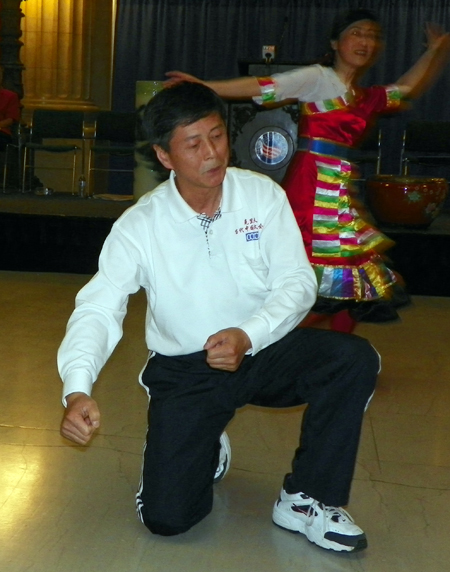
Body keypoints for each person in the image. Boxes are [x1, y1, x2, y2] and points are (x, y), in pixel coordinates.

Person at [58, 81, 380, 553]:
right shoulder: (139, 226)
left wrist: (249, 335)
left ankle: (308, 498)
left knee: (351, 359)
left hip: (263, 349)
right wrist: (77, 387)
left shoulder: (261, 196)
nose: (212, 153)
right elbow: (100, 305)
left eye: (217, 136)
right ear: (165, 156)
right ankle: (208, 442)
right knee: (167, 520)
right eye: (194, 143)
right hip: (187, 371)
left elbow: (297, 282)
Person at [165, 9, 450, 333]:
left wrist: (435, 50)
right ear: (335, 42)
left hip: (340, 186)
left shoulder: (363, 97)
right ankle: (276, 343)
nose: (365, 42)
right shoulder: (318, 78)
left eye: (372, 36)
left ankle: (332, 353)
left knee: (346, 278)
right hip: (312, 184)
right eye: (357, 33)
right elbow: (264, 85)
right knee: (308, 264)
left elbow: (406, 88)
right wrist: (205, 86)